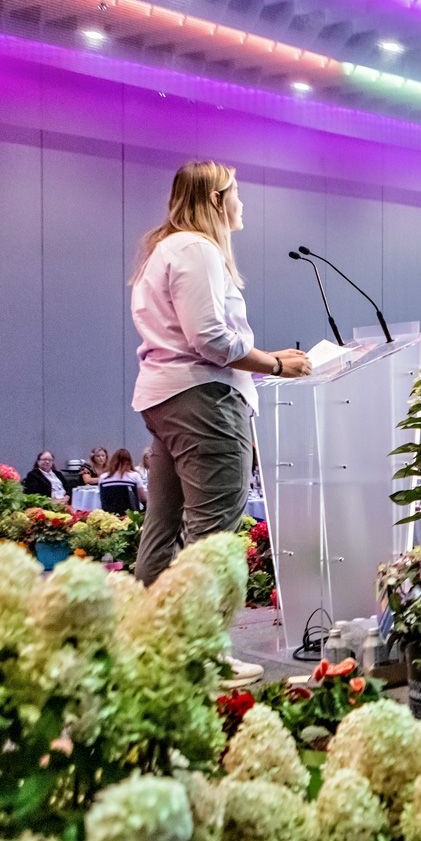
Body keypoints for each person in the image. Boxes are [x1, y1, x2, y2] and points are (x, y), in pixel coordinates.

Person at [130, 160, 311, 590]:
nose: (242, 203)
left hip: (167, 400)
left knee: (163, 531)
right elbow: (210, 339)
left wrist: (268, 357)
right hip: (205, 404)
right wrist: (278, 365)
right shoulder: (197, 249)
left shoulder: (164, 250)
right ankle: (203, 653)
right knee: (211, 543)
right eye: (237, 193)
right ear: (216, 199)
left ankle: (147, 644)